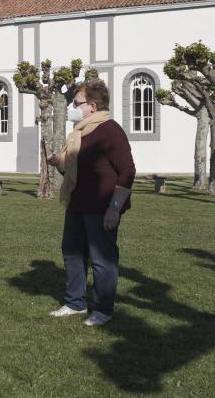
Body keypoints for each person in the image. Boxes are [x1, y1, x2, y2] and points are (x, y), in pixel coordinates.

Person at [47, 80, 135, 326]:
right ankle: (75, 302)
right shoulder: (80, 132)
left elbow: (127, 171)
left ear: (93, 106)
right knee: (72, 252)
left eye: (77, 103)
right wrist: (60, 163)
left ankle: (103, 309)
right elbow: (78, 170)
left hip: (102, 206)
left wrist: (115, 208)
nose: (72, 107)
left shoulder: (109, 130)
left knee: (102, 258)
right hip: (78, 202)